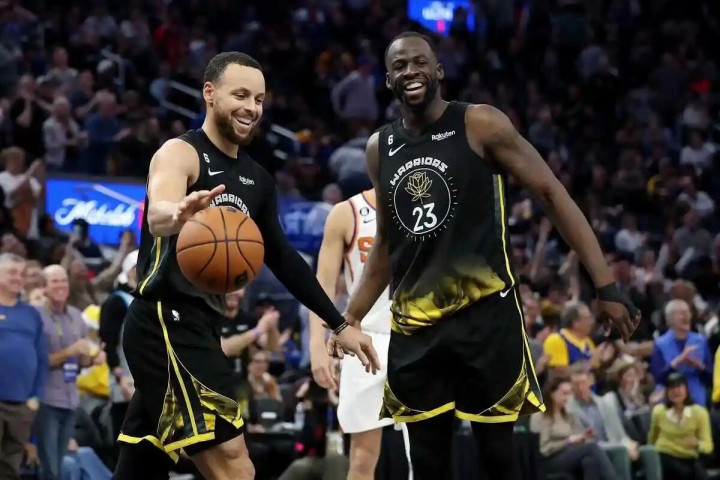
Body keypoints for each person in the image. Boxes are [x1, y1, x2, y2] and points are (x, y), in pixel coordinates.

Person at [329, 31, 641, 480]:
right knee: (428, 465)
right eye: (400, 66)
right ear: (388, 80)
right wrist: (351, 317)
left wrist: (605, 284)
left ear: (439, 70)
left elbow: (551, 194)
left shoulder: (479, 123)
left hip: (486, 317)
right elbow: (385, 244)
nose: (411, 71)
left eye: (420, 62)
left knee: (498, 459)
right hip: (416, 328)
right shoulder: (381, 147)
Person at [113, 52, 379, 480]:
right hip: (165, 321)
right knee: (234, 461)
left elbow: (285, 260)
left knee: (142, 464)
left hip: (203, 325)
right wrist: (178, 212)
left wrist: (339, 322)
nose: (251, 107)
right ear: (210, 93)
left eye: (258, 99)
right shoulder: (180, 153)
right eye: (240, 95)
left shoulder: (258, 180)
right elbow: (159, 210)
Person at [310, 189, 398, 480]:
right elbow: (323, 286)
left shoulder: (432, 200)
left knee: (426, 454)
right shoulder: (346, 212)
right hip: (366, 339)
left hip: (419, 336)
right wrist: (317, 346)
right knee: (361, 459)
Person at [530, 377, 617, 480]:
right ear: (552, 393)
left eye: (569, 393)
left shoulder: (568, 415)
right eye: (564, 393)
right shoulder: (541, 416)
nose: (567, 398)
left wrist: (583, 437)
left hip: (568, 454)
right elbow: (543, 448)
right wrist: (568, 441)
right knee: (592, 448)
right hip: (549, 460)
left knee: (589, 461)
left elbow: (575, 437)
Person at [648, 372, 713, 480]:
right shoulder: (659, 412)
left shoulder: (700, 413)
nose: (676, 391)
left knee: (700, 474)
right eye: (671, 388)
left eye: (679, 387)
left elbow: (708, 446)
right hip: (665, 454)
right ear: (666, 392)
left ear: (686, 389)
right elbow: (652, 439)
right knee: (682, 472)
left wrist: (697, 444)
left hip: (689, 457)